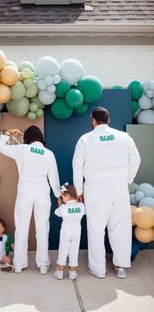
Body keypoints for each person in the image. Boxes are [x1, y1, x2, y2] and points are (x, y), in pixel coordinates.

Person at [72, 106, 141, 279]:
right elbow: (136, 160)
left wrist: (79, 191)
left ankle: (98, 269)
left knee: (96, 229)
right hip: (119, 187)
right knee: (120, 228)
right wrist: (128, 179)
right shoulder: (124, 137)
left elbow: (77, 167)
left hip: (95, 189)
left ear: (93, 121)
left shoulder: (85, 139)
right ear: (108, 120)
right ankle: (121, 267)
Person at [0, 125, 60, 274]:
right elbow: (54, 179)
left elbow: (0, 147)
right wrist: (58, 196)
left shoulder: (22, 150)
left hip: (25, 190)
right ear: (41, 138)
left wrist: (8, 132)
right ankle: (43, 265)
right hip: (42, 191)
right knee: (43, 228)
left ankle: (19, 264)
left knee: (22, 228)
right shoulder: (49, 153)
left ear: (27, 138)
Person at [54, 183, 85, 280]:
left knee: (63, 250)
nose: (62, 199)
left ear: (67, 196)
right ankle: (72, 272)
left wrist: (59, 204)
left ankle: (59, 272)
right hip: (76, 233)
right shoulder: (81, 206)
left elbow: (57, 213)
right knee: (74, 251)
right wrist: (81, 201)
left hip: (66, 233)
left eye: (62, 197)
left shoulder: (63, 208)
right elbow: (85, 211)